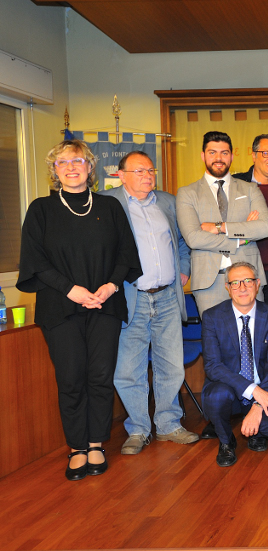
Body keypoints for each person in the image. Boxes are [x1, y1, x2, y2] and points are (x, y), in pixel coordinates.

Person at [17, 140, 141, 480]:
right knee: (71, 378)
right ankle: (76, 447)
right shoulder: (41, 209)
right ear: (54, 170)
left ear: (90, 167)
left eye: (78, 161)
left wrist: (110, 286)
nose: (71, 167)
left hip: (105, 304)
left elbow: (126, 254)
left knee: (100, 376)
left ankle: (96, 442)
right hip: (60, 307)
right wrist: (71, 290)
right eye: (63, 162)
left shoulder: (110, 207)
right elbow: (35, 261)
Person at [102, 151, 198, 455]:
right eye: (140, 171)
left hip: (168, 296)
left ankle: (168, 425)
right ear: (121, 175)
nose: (148, 176)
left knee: (171, 364)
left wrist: (184, 268)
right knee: (129, 368)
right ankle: (138, 429)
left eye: (151, 170)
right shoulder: (107, 203)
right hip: (132, 297)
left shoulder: (167, 202)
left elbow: (182, 242)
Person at [201, 262, 268, 467]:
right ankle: (226, 441)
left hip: (263, 387)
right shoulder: (212, 317)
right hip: (229, 388)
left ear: (257, 284)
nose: (242, 287)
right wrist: (252, 390)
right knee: (216, 396)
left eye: (248, 281)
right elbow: (213, 366)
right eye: (235, 283)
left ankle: (256, 432)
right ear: (227, 287)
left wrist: (258, 404)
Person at [176, 131, 268, 316]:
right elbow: (194, 238)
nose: (218, 158)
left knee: (253, 332)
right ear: (203, 155)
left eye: (224, 153)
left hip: (249, 280)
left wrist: (219, 227)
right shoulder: (187, 193)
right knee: (215, 333)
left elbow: (265, 228)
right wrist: (241, 239)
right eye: (212, 152)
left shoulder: (250, 189)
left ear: (232, 156)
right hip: (209, 283)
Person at [232, 134, 268, 311]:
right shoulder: (235, 184)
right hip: (244, 270)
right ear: (253, 155)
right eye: (266, 153)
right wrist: (245, 226)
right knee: (245, 320)